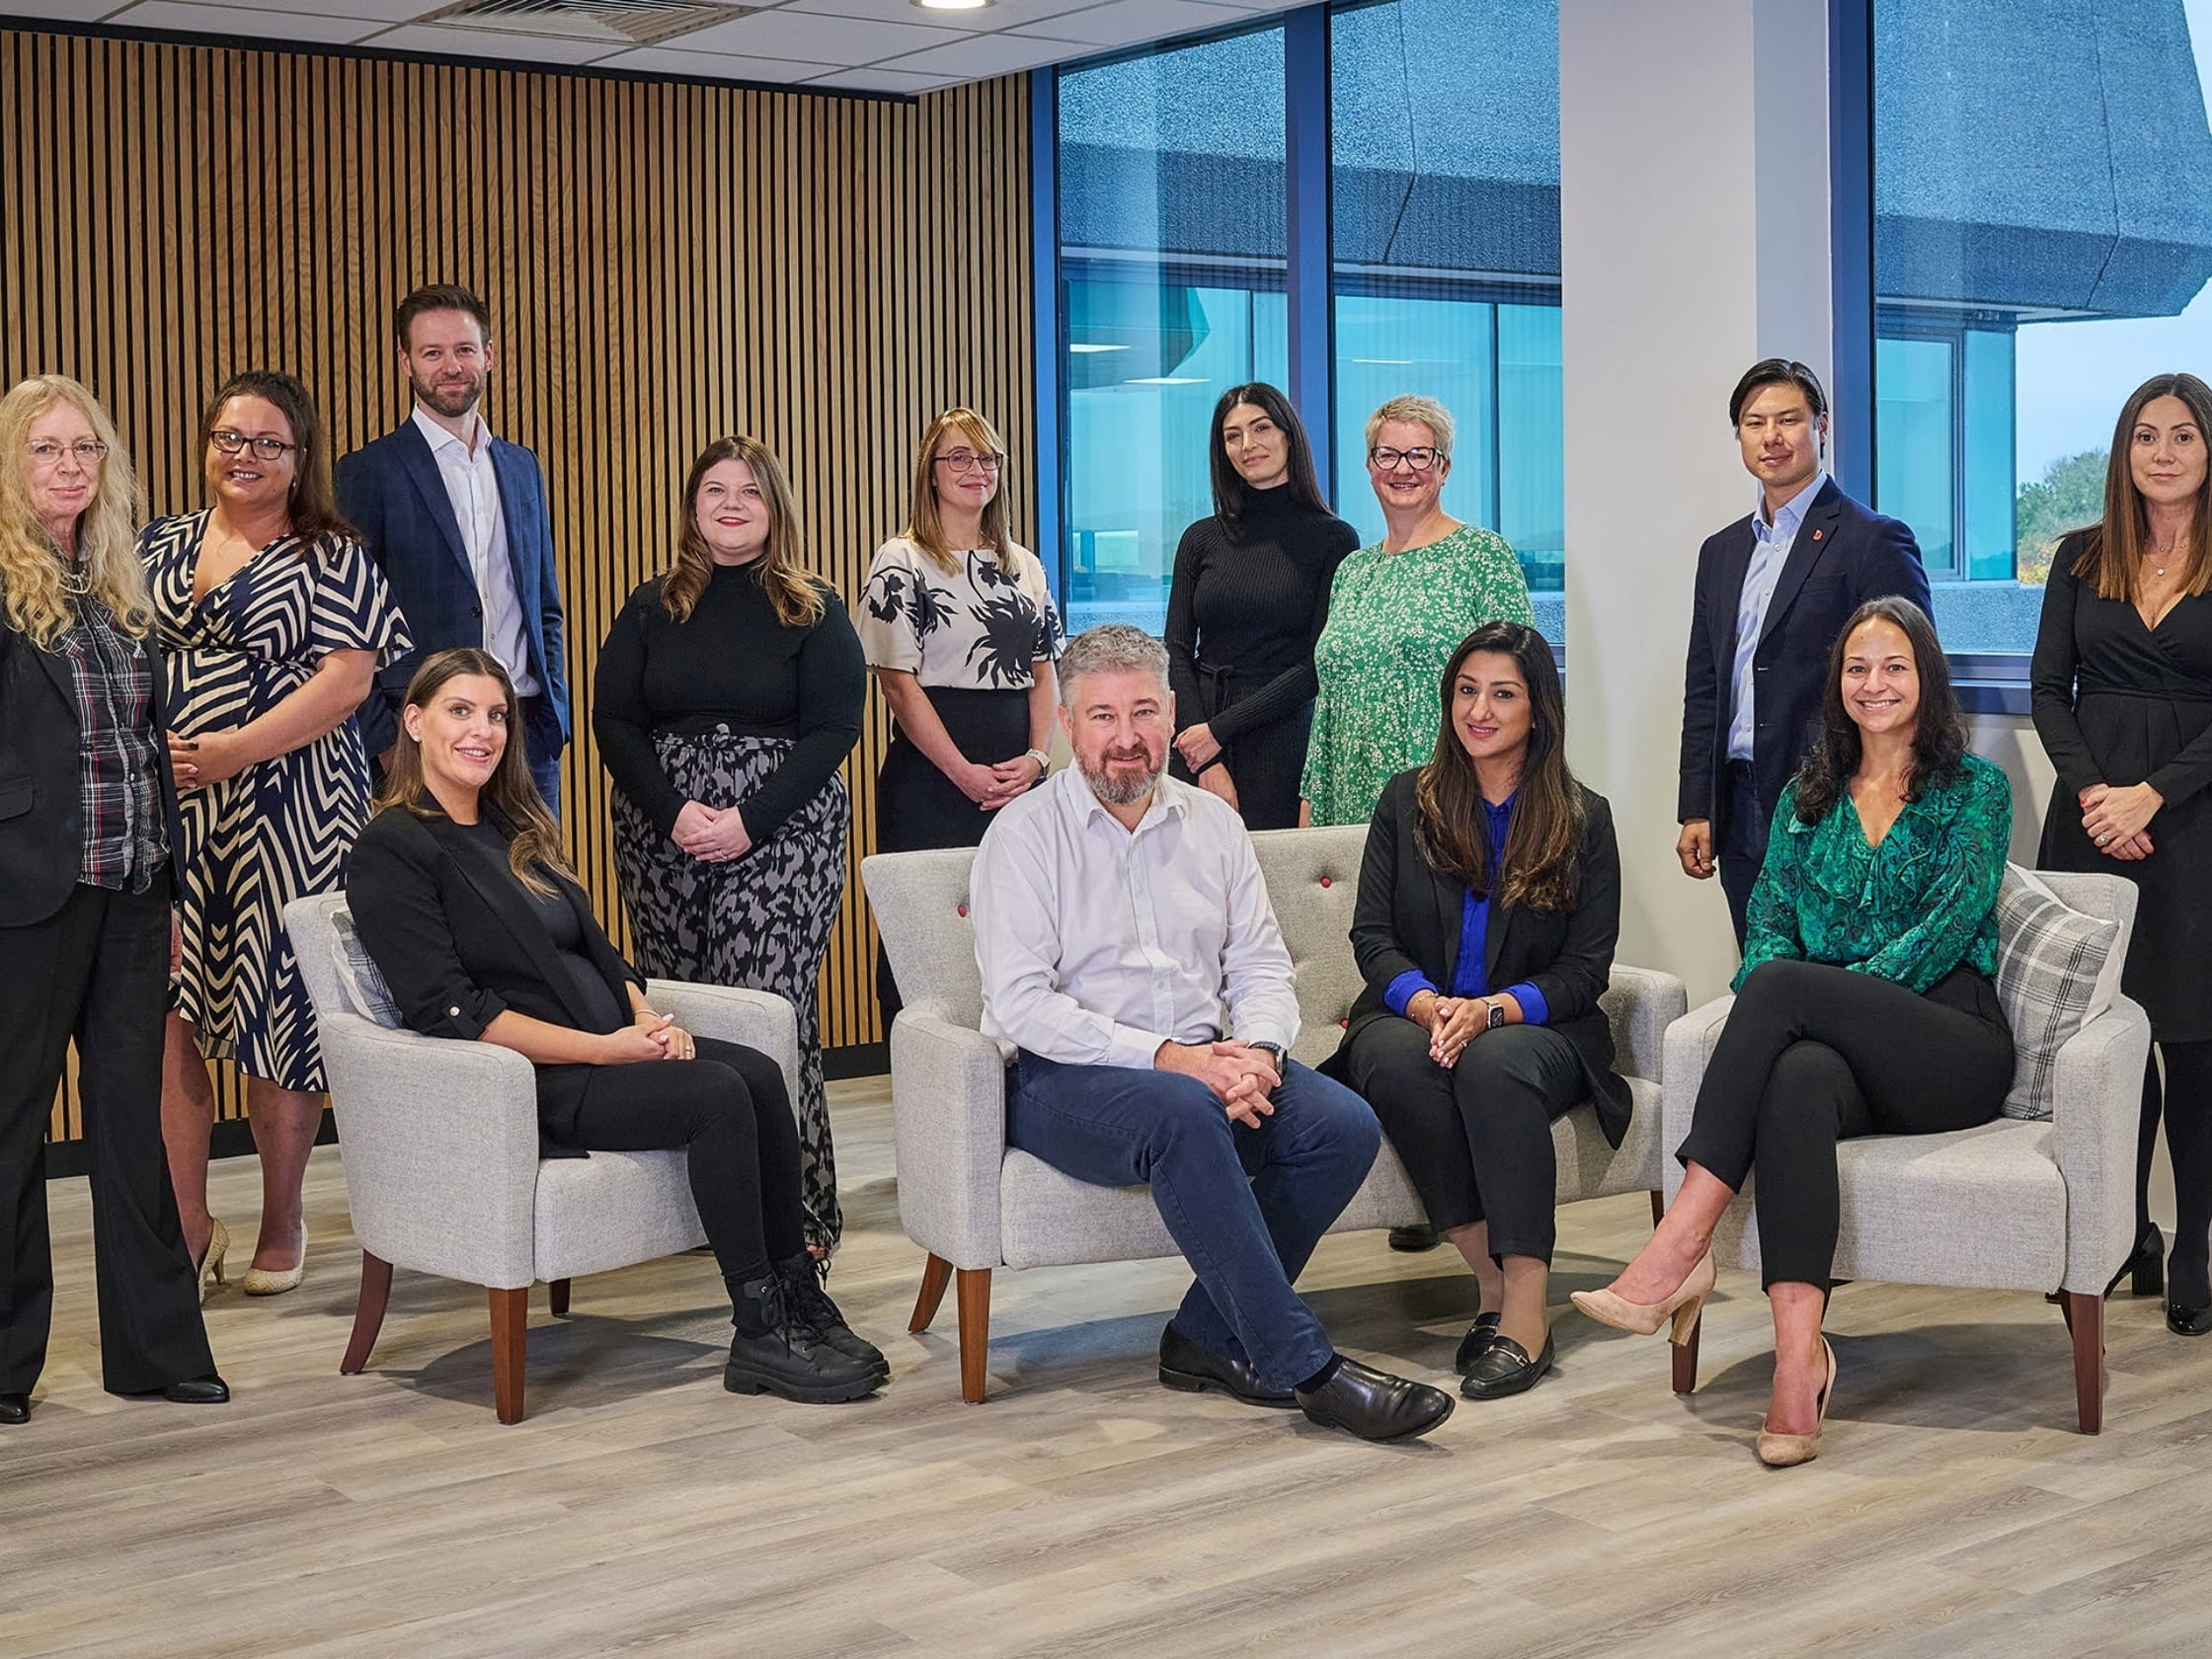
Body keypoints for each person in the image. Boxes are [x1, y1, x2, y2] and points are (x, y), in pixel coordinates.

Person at [347, 650, 885, 1403]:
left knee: (761, 1074)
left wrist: (645, 1018)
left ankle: (800, 1299)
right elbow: (452, 1010)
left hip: (610, 1050)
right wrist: (607, 1049)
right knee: (718, 1096)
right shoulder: (392, 849)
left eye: (497, 715)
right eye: (460, 711)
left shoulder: (514, 826)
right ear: (414, 721)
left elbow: (601, 951)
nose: (483, 731)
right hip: (534, 1084)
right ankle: (760, 1331)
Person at [973, 623, 1455, 1443]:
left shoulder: (1214, 825)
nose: (1126, 738)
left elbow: (1262, 968)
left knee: (1343, 1124)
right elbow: (1024, 1006)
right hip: (1066, 1080)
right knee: (1185, 1112)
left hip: (1205, 1058)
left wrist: (1260, 1054)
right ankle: (1310, 1368)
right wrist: (1173, 1062)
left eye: (1144, 712)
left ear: (1170, 715)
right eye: (1101, 717)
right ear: (1064, 722)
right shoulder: (1022, 838)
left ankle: (1203, 1336)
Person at [1577, 598, 2013, 1466]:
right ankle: (1797, 1367)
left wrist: (1828, 996)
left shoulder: (1976, 792)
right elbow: (1768, 921)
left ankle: (1681, 1243)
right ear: (1837, 685)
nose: (1875, 683)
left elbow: (1946, 929)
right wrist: (1820, 1007)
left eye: (1894, 665)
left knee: (1783, 992)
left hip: (1948, 1042)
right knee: (1798, 1077)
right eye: (1858, 668)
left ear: (1925, 676)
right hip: (1835, 1052)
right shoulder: (1805, 800)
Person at [148, 370, 411, 1300]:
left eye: (269, 443)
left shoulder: (331, 552)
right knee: (169, 1012)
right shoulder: (156, 545)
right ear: (206, 442)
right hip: (174, 819)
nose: (246, 456)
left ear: (301, 460)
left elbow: (350, 682)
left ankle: (281, 1217)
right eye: (231, 437)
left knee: (277, 1014)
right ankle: (185, 1225)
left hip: (295, 811)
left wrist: (231, 752)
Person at [0, 373, 227, 1424]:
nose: (68, 468)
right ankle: (5, 1367)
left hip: (134, 887)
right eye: (46, 450)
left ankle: (159, 1353)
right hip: (27, 895)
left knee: (130, 1119)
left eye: (84, 449)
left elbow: (146, 747)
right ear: (14, 463)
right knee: (12, 1126)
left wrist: (173, 881)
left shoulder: (121, 587)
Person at [1327, 621, 1627, 1400]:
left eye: (1503, 694)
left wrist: (1492, 1010)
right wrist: (1428, 1005)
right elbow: (1373, 937)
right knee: (1392, 1054)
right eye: (1466, 691)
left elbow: (1585, 970)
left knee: (1492, 1065)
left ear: (1539, 711)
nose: (1479, 711)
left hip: (1538, 1030)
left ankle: (1528, 1312)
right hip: (1416, 1014)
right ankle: (1488, 1284)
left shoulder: (1583, 817)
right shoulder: (1408, 798)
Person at [595, 435, 865, 1256]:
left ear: (775, 505)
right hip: (661, 827)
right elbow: (614, 719)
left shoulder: (814, 608)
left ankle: (795, 1213)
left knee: (767, 1008)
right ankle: (701, 1209)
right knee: (679, 1006)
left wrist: (750, 818)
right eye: (715, 490)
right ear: (693, 507)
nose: (732, 503)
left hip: (784, 826)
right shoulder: (652, 605)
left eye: (749, 490)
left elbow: (835, 728)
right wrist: (674, 809)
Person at [2030, 371, 2212, 1335]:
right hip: (2089, 822)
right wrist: (2099, 796)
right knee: (2104, 1040)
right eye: (2145, 436)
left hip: (2191, 825)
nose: (2163, 452)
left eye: (2182, 435)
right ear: (2123, 451)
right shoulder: (2076, 557)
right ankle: (2121, 1232)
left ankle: (2191, 1244)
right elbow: (2044, 693)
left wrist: (2155, 791)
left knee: (2188, 1041)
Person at [1677, 358, 1932, 944]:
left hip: (1834, 795)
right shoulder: (1720, 552)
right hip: (1738, 801)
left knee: (1831, 969)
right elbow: (1707, 688)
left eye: (1788, 419)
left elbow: (1908, 679)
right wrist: (1697, 805)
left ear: (1821, 426)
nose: (1771, 437)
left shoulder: (1873, 539)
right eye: (1753, 422)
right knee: (1758, 966)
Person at [858, 408, 1061, 1027]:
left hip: (1018, 781)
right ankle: (924, 1089)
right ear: (932, 472)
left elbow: (1046, 669)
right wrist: (962, 772)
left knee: (1019, 929)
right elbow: (896, 683)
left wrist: (1037, 759)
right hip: (931, 780)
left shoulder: (1023, 565)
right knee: (922, 938)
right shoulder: (903, 559)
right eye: (960, 458)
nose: (976, 470)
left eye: (988, 458)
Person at [336, 283, 569, 808]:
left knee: (533, 888)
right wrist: (387, 744)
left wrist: (555, 714)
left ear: (489, 354)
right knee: (437, 889)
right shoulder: (369, 473)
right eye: (432, 353)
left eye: (464, 350)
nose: (451, 366)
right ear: (406, 361)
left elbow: (544, 606)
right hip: (423, 739)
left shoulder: (521, 466)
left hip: (525, 734)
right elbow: (348, 624)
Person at [1301, 394, 1533, 830]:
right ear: (1370, 467)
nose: (1402, 469)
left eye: (1419, 455)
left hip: (1450, 798)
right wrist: (1311, 816)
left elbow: (1520, 687)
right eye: (1387, 455)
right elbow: (1328, 706)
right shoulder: (1352, 571)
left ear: (1444, 468)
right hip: (1347, 804)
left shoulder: (1481, 555)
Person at [1163, 383, 1358, 830]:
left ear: (1288, 434)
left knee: (1272, 883)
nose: (1247, 445)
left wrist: (1220, 731)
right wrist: (1201, 749)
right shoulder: (1200, 538)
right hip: (1195, 736)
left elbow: (1317, 665)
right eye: (1232, 436)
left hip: (1279, 739)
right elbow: (1175, 648)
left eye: (1261, 428)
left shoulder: (1334, 539)